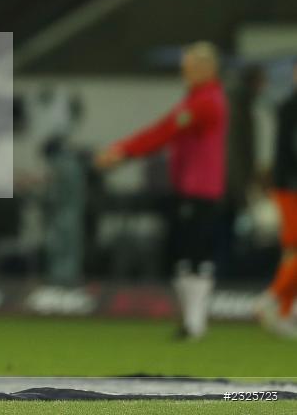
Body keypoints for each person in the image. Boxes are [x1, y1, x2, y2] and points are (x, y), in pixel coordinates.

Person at [95, 41, 228, 339]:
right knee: (184, 255)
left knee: (194, 255)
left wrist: (123, 151)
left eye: (190, 66)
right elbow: (167, 130)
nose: (184, 70)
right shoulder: (195, 100)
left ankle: (195, 323)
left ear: (206, 68)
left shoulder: (205, 103)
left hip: (200, 190)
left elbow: (164, 131)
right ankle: (192, 322)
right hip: (188, 188)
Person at [256, 60, 297, 337]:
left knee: (291, 252)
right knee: (294, 249)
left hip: (286, 184)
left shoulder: (285, 106)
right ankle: (270, 299)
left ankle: (284, 314)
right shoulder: (290, 108)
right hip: (291, 187)